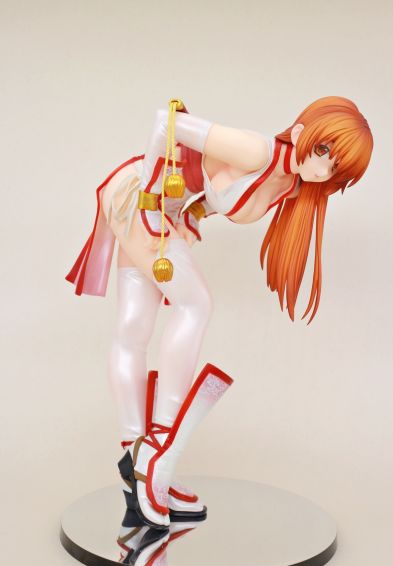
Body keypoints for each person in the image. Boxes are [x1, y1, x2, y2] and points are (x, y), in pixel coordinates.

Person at [66, 97, 373, 528]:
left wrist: (187, 213)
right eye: (324, 152)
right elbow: (166, 123)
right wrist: (153, 199)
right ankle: (155, 453)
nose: (324, 170)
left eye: (336, 168)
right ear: (302, 134)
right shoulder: (257, 151)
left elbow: (214, 193)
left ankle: (137, 465)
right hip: (138, 196)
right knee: (193, 305)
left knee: (134, 328)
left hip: (164, 213)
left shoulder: (292, 185)